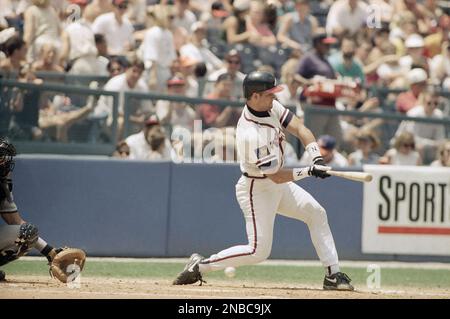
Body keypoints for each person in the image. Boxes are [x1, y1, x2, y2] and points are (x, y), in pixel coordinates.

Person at [173, 71, 354, 291]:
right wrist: (309, 170)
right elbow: (275, 175)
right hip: (256, 189)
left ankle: (332, 275)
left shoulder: (271, 107)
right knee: (258, 251)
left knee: (316, 213)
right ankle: (201, 266)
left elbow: (299, 128)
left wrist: (315, 156)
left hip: (277, 185)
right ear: (255, 96)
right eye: (270, 94)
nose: (275, 98)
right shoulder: (250, 134)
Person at [0, 138, 84, 282]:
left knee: (27, 233)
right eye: (1, 158)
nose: (5, 162)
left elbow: (16, 222)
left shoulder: (2, 186)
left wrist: (49, 252)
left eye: (4, 158)